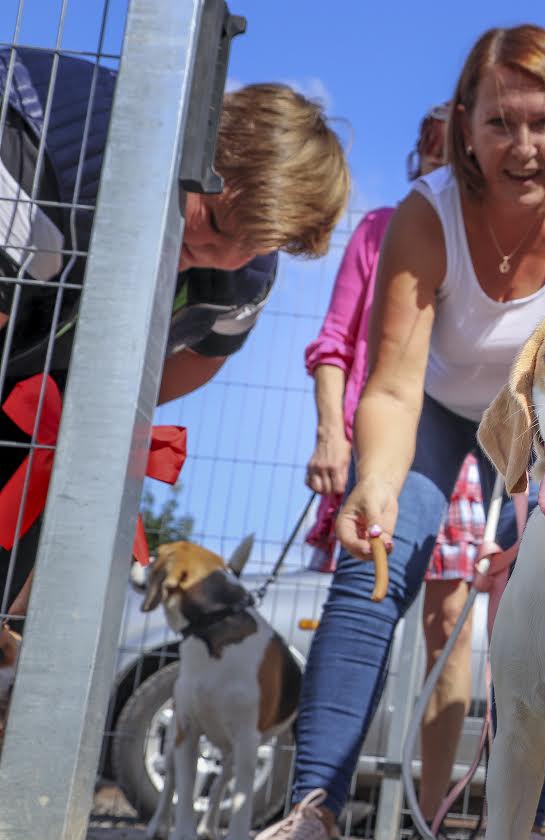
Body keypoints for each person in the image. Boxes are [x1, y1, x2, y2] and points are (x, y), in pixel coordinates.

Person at [238, 24, 545, 840]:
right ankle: (312, 812)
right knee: (373, 561)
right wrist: (374, 483)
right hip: (435, 407)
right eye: (500, 123)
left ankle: (519, 837)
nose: (522, 147)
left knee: (542, 600)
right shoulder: (427, 214)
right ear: (463, 126)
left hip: (539, 424)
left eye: (542, 122)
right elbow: (389, 385)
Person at [0, 46, 349, 619]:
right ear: (202, 148)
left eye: (251, 246)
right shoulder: (50, 153)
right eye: (213, 221)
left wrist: (97, 407)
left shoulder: (244, 276)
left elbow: (206, 355)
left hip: (34, 369)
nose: (218, 252)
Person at [300, 103, 477, 840]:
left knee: (452, 628)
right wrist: (332, 432)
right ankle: (317, 809)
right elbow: (335, 343)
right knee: (367, 598)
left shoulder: (480, 234)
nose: (445, 164)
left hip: (454, 444)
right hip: (381, 438)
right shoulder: (378, 229)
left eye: (456, 150)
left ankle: (431, 823)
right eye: (433, 148)